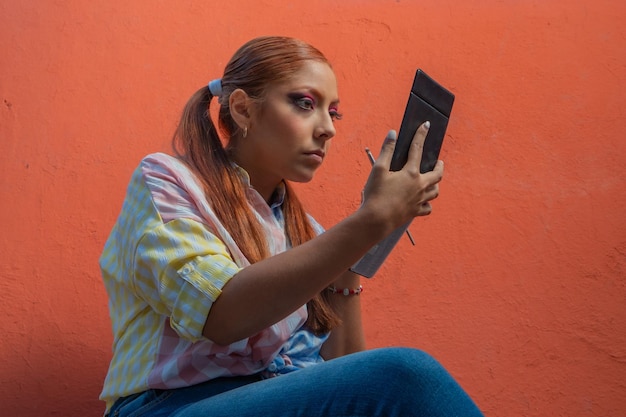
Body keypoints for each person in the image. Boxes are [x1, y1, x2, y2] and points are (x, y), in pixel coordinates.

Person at [99, 36, 483, 417]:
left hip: (278, 393)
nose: (327, 129)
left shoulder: (309, 235)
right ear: (243, 110)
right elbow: (221, 316)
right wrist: (367, 223)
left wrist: (361, 251)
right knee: (406, 375)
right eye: (305, 104)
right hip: (170, 405)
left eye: (333, 112)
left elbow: (345, 369)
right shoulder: (169, 179)